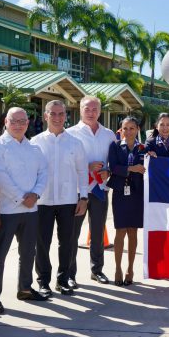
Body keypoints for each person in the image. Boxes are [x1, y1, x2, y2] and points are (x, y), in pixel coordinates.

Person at [0, 107, 49, 314]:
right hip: (6, 209)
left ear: (28, 123)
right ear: (6, 122)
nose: (19, 124)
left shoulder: (34, 149)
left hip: (31, 210)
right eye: (14, 121)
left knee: (28, 251)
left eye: (23, 121)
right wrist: (22, 198)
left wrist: (36, 194)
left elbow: (43, 173)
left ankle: (25, 288)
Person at [31, 100, 88, 297]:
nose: (57, 118)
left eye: (61, 114)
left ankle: (63, 280)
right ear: (45, 116)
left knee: (67, 242)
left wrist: (84, 198)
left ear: (66, 116)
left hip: (68, 201)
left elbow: (82, 172)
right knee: (42, 243)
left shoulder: (75, 143)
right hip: (42, 201)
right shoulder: (35, 142)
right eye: (52, 114)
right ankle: (43, 281)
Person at [68, 96, 116, 285]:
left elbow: (114, 161)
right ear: (80, 109)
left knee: (97, 233)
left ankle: (97, 270)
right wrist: (86, 167)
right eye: (87, 108)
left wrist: (109, 171)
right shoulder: (70, 133)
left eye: (95, 109)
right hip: (78, 191)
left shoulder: (109, 134)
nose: (91, 112)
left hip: (100, 190)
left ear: (100, 110)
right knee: (72, 233)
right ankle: (69, 274)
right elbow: (66, 162)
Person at [107, 117, 146, 286]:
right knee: (120, 231)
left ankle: (130, 268)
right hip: (120, 193)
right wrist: (131, 168)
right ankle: (117, 268)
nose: (128, 131)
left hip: (137, 194)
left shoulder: (144, 148)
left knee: (133, 232)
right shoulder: (115, 146)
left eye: (132, 128)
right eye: (125, 128)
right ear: (120, 130)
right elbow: (113, 167)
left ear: (137, 129)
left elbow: (149, 168)